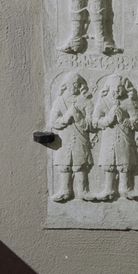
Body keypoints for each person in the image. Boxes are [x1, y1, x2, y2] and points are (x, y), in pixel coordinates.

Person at [87, 75, 138, 202]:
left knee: (125, 164)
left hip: (125, 139)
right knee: (109, 164)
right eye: (114, 87)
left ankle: (125, 188)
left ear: (125, 88)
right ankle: (109, 189)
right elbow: (95, 122)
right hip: (108, 139)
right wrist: (108, 119)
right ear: (108, 88)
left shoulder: (129, 103)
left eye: (120, 87)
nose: (117, 90)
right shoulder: (103, 102)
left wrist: (124, 120)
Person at [48, 72, 94, 203]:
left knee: (80, 166)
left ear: (80, 86)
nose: (73, 87)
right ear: (66, 85)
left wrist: (78, 118)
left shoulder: (86, 102)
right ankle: (65, 190)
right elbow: (53, 122)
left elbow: (92, 125)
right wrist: (67, 116)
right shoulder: (60, 101)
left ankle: (83, 191)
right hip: (64, 139)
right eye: (71, 84)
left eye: (76, 84)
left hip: (80, 139)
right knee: (65, 166)